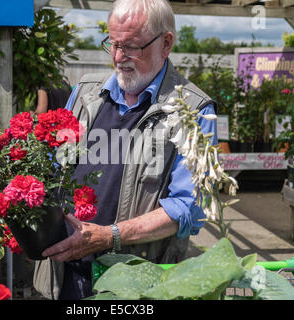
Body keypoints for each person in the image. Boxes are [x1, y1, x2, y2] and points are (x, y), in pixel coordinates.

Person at [34, 0, 218, 300]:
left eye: (131, 47)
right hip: (64, 273)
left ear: (166, 43)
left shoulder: (192, 111)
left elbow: (189, 209)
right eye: (113, 43)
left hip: (137, 283)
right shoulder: (83, 93)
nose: (119, 58)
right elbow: (54, 167)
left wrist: (109, 237)